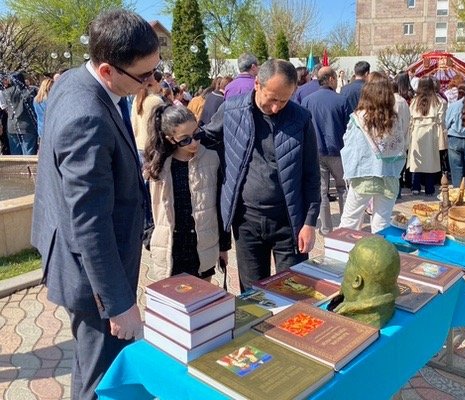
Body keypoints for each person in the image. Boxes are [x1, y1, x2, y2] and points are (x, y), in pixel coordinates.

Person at [30, 10, 160, 399]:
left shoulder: (76, 79)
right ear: (106, 70)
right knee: (100, 376)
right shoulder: (87, 117)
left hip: (90, 262)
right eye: (144, 76)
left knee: (94, 365)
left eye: (155, 70)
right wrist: (118, 304)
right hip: (93, 275)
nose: (152, 82)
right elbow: (89, 223)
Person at [205, 59, 320, 291]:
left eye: (284, 100)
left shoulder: (301, 118)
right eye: (272, 98)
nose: (276, 107)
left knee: (294, 291)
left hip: (289, 221)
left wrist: (309, 222)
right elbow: (205, 138)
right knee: (253, 294)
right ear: (257, 84)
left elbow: (311, 174)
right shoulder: (232, 110)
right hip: (247, 221)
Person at [143, 104, 230, 280]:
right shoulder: (158, 165)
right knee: (172, 296)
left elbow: (222, 206)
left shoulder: (212, 159)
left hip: (202, 248)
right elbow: (145, 206)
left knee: (203, 295)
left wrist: (224, 246)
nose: (194, 143)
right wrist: (150, 237)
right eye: (185, 140)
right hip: (170, 249)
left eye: (197, 135)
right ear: (170, 139)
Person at [338, 78, 406, 233]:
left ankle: (344, 247)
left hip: (363, 174)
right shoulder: (394, 119)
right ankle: (380, 247)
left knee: (350, 220)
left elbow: (350, 146)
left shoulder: (358, 118)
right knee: (382, 223)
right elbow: (401, 146)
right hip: (389, 175)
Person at [301, 67, 351, 236]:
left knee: (321, 191)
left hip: (316, 152)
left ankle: (326, 229)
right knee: (343, 188)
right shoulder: (341, 100)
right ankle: (345, 226)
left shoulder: (307, 101)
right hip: (338, 151)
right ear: (330, 79)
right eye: (335, 77)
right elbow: (349, 127)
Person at [408, 77, 446, 196]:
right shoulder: (439, 101)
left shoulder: (414, 101)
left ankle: (415, 186)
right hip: (431, 132)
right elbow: (441, 120)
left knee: (416, 160)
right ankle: (429, 187)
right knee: (431, 161)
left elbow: (410, 119)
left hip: (416, 133)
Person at [3, 72, 38, 155]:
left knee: (15, 155)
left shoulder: (6, 92)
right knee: (29, 154)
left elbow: (5, 108)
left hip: (12, 126)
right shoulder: (31, 91)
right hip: (28, 126)